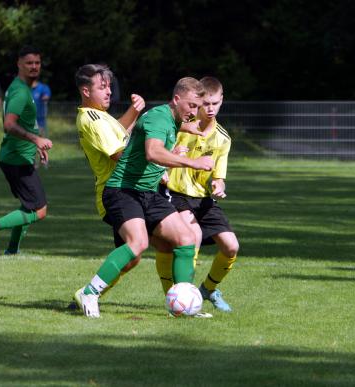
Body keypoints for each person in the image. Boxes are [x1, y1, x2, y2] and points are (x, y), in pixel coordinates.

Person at [74, 77, 214, 318]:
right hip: (122, 190)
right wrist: (194, 163)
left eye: (197, 107)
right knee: (137, 244)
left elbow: (152, 128)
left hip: (147, 192)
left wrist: (185, 126)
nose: (195, 111)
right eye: (191, 105)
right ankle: (89, 292)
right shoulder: (160, 117)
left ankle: (183, 307)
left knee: (186, 237)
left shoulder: (169, 118)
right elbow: (153, 152)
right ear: (176, 99)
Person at [155, 76, 239, 312]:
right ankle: (184, 299)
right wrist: (168, 160)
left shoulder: (223, 138)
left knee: (231, 246)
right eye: (206, 104)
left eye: (216, 103)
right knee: (193, 235)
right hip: (175, 192)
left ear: (222, 100)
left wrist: (219, 186)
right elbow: (157, 151)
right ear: (198, 101)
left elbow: (219, 175)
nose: (210, 109)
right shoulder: (182, 125)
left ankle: (207, 290)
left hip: (202, 198)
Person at [74, 63, 145, 295]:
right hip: (115, 192)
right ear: (86, 91)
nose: (109, 92)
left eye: (109, 87)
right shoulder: (92, 118)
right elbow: (118, 153)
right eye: (102, 87)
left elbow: (119, 133)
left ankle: (89, 293)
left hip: (126, 190)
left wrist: (134, 111)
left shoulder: (102, 117)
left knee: (132, 257)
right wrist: (157, 157)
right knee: (172, 238)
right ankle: (89, 294)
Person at [0, 46, 52, 256]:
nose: (34, 67)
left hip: (16, 156)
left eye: (37, 62)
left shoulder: (20, 87)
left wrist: (36, 144)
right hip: (16, 159)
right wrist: (36, 138)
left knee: (28, 206)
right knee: (39, 210)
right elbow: (9, 124)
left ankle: (12, 250)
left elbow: (26, 123)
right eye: (29, 63)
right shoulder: (20, 91)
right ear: (19, 64)